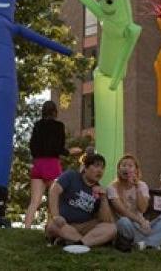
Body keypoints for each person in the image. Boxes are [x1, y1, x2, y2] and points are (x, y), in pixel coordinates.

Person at [24, 100, 81, 229]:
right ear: (55, 112)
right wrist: (71, 152)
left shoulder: (37, 125)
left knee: (34, 201)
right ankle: (50, 227)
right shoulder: (59, 126)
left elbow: (32, 146)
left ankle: (26, 227)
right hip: (52, 164)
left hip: (38, 164)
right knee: (54, 200)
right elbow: (59, 148)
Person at [46, 152, 117, 251]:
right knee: (54, 225)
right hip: (63, 224)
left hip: (84, 226)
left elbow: (105, 220)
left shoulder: (99, 189)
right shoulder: (71, 176)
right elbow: (54, 190)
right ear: (86, 168)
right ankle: (85, 242)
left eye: (102, 168)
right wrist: (56, 216)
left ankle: (78, 243)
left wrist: (104, 198)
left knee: (111, 228)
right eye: (96, 166)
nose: (100, 171)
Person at [108, 154, 161, 251]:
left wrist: (136, 187)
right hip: (127, 226)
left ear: (136, 170)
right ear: (119, 169)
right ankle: (152, 242)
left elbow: (143, 208)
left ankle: (144, 243)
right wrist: (141, 221)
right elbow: (122, 211)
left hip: (142, 227)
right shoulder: (112, 187)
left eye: (130, 166)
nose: (126, 168)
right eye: (123, 165)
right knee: (124, 222)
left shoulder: (142, 185)